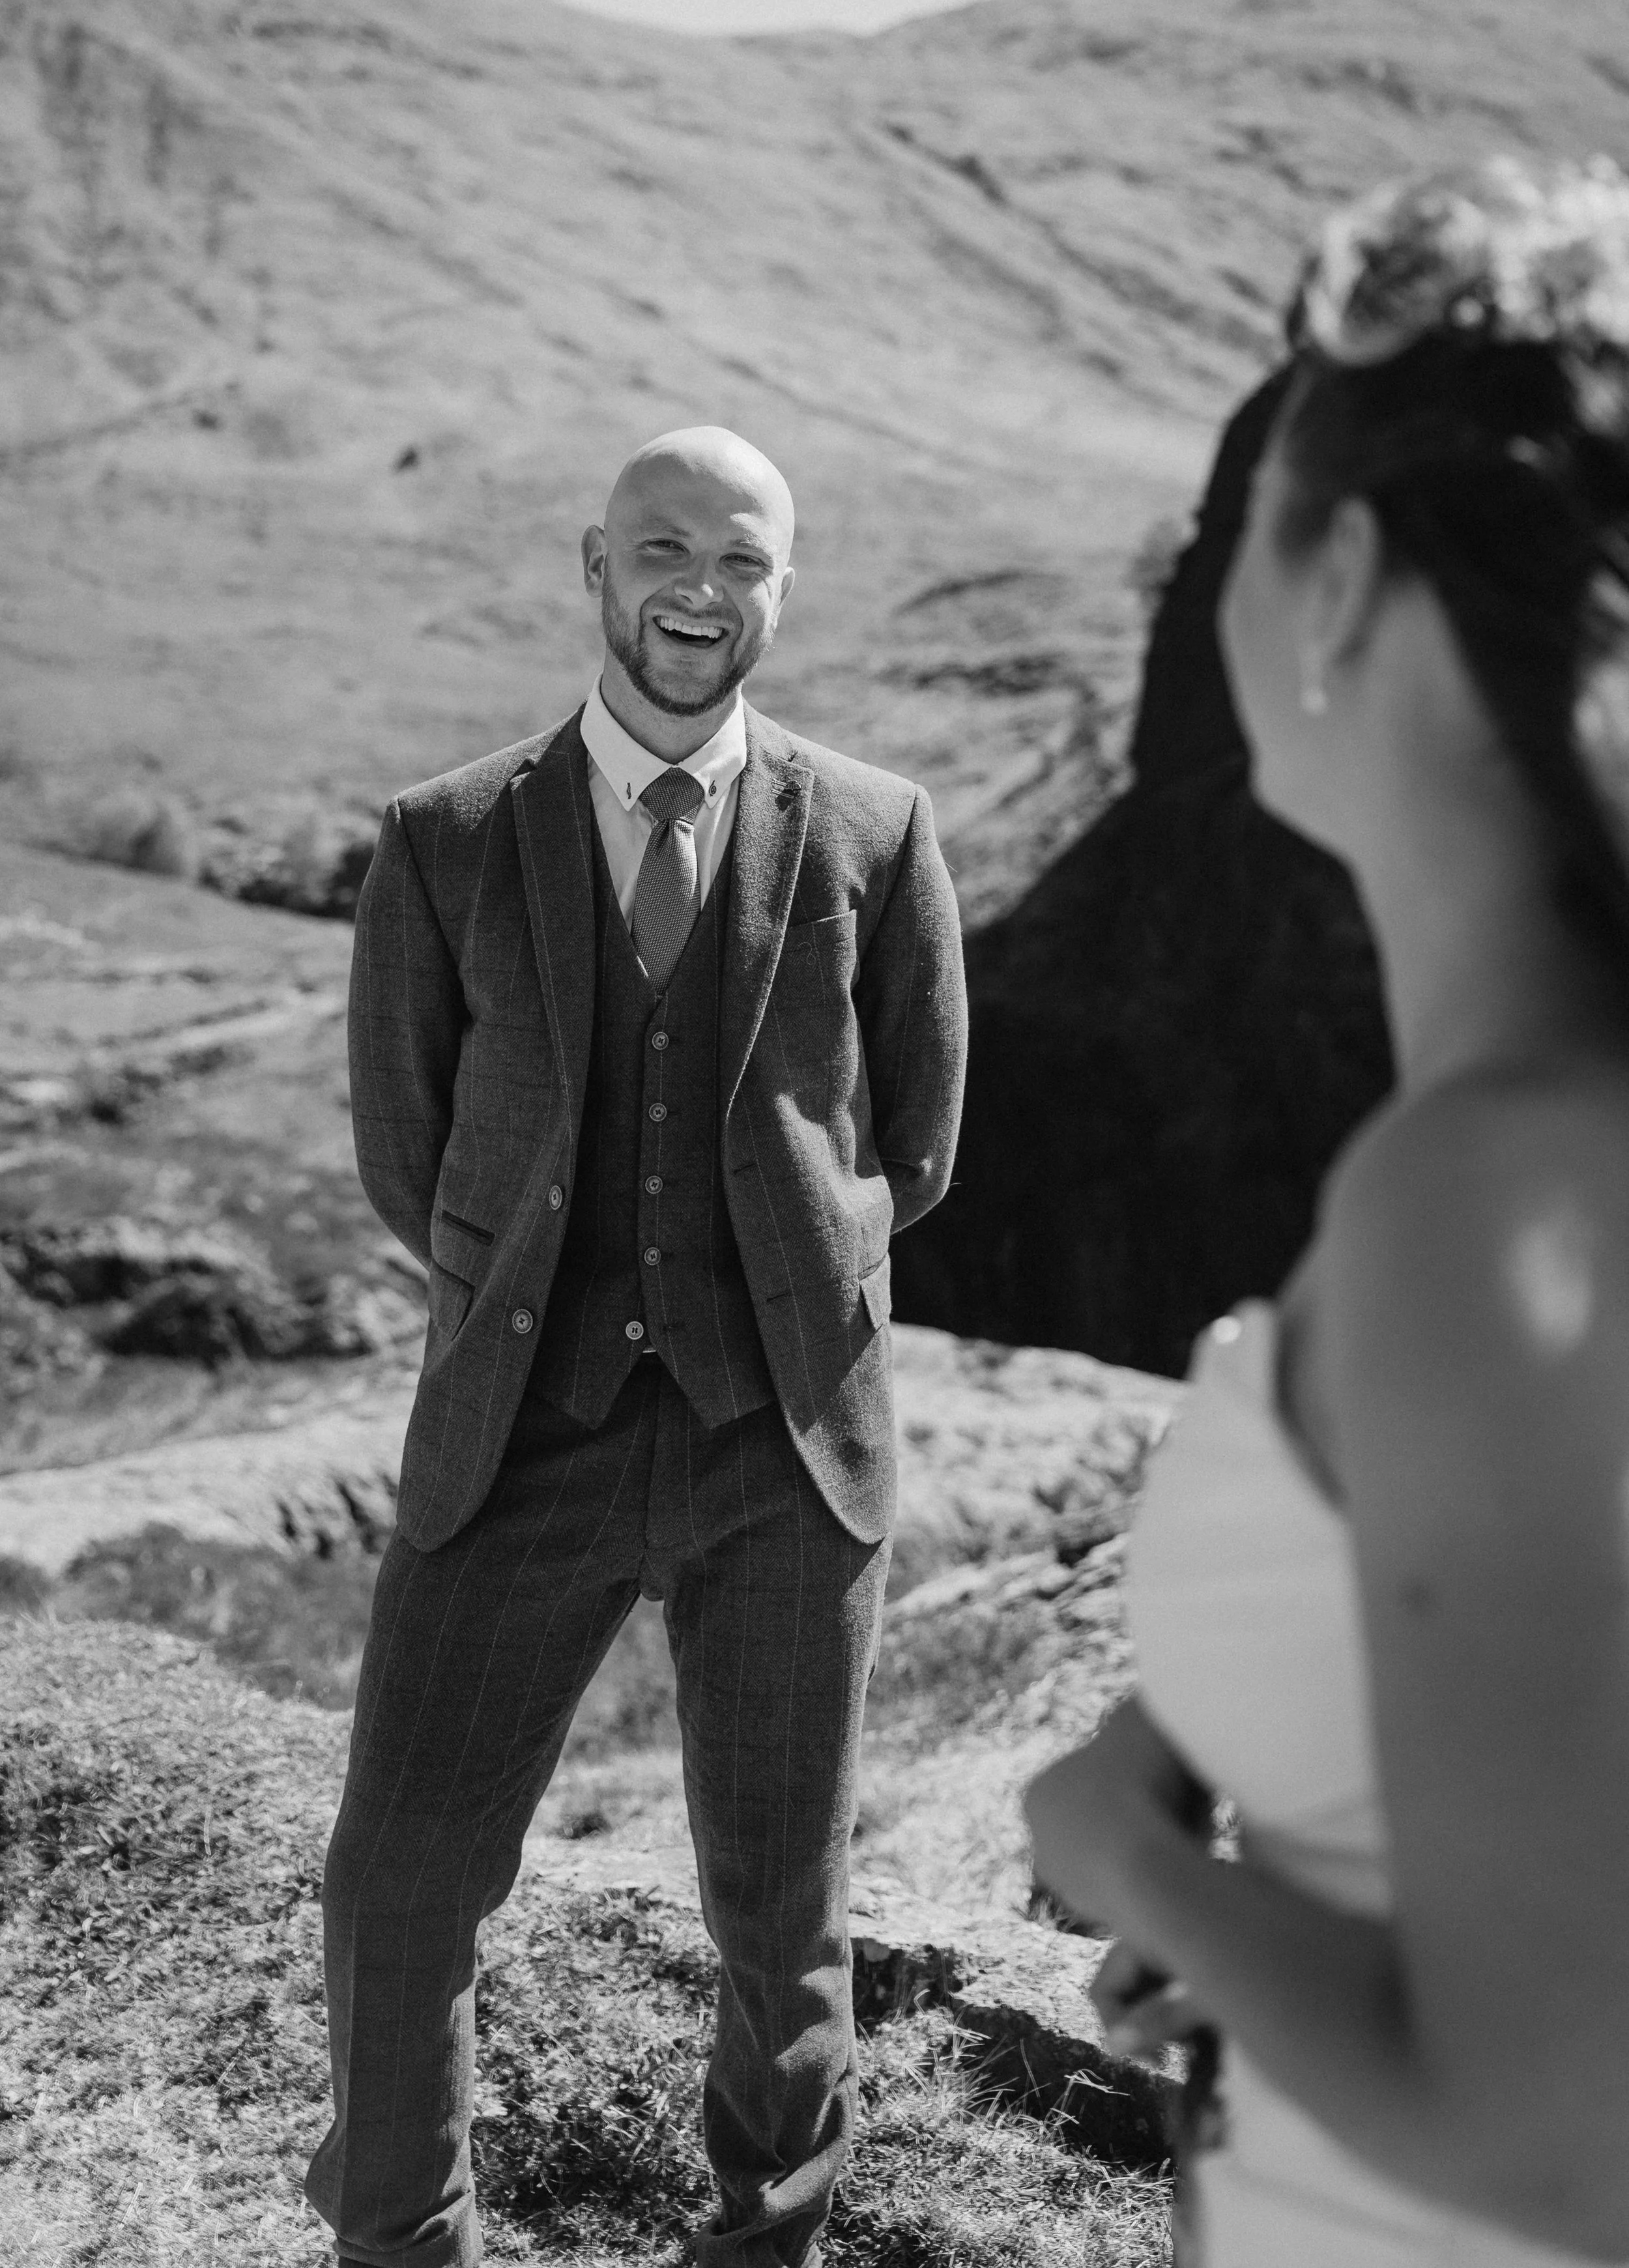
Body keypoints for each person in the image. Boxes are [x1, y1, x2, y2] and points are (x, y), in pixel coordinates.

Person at [1026, 157, 1629, 2267]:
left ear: (1345, 575)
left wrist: (1129, 1850)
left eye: (1251, 511)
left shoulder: (1490, 1199)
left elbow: (1564, 2139)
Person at [306, 424, 968, 2268]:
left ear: (783, 582)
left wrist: (768, 1284)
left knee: (780, 1911)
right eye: (662, 548)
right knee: (397, 1882)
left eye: (740, 559)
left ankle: (762, 2239)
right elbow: (401, 1144)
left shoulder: (874, 831)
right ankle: (398, 2237)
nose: (700, 589)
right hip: (517, 1435)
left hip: (785, 1445)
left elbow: (910, 1152)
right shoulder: (441, 841)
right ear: (592, 565)